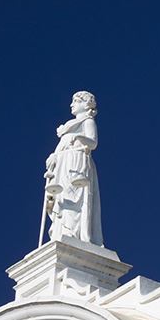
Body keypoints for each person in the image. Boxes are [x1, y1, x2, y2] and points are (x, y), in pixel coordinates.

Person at [44, 91, 103, 246]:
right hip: (63, 165)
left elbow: (93, 143)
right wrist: (54, 157)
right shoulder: (69, 126)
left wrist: (77, 138)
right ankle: (61, 232)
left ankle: (73, 234)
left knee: (75, 196)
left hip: (77, 163)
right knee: (61, 198)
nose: (72, 104)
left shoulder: (87, 121)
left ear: (87, 104)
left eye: (76, 101)